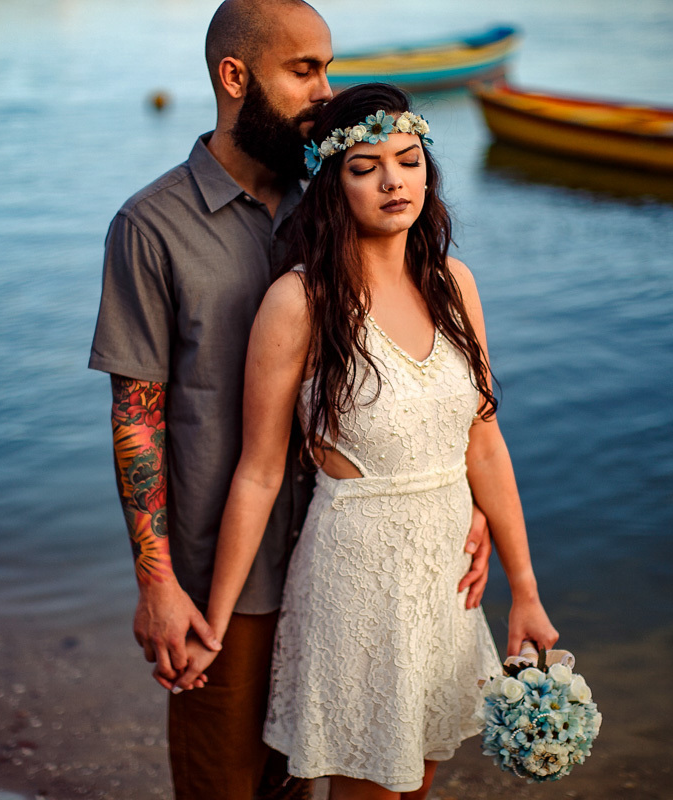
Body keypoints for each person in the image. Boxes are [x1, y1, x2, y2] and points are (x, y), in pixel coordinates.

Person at [90, 3, 493, 797]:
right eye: (304, 70)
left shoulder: (334, 199)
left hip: (346, 564)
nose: (325, 91)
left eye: (328, 68)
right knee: (226, 785)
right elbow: (136, 418)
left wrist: (460, 499)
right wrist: (156, 583)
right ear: (235, 77)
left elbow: (421, 371)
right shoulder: (152, 227)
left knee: (324, 780)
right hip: (226, 581)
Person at [172, 83, 560, 799]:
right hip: (358, 585)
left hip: (447, 582)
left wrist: (526, 592)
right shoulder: (300, 301)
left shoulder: (454, 284)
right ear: (333, 184)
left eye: (409, 161)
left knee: (419, 784)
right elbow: (259, 471)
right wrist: (214, 623)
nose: (393, 182)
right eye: (366, 167)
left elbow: (483, 443)